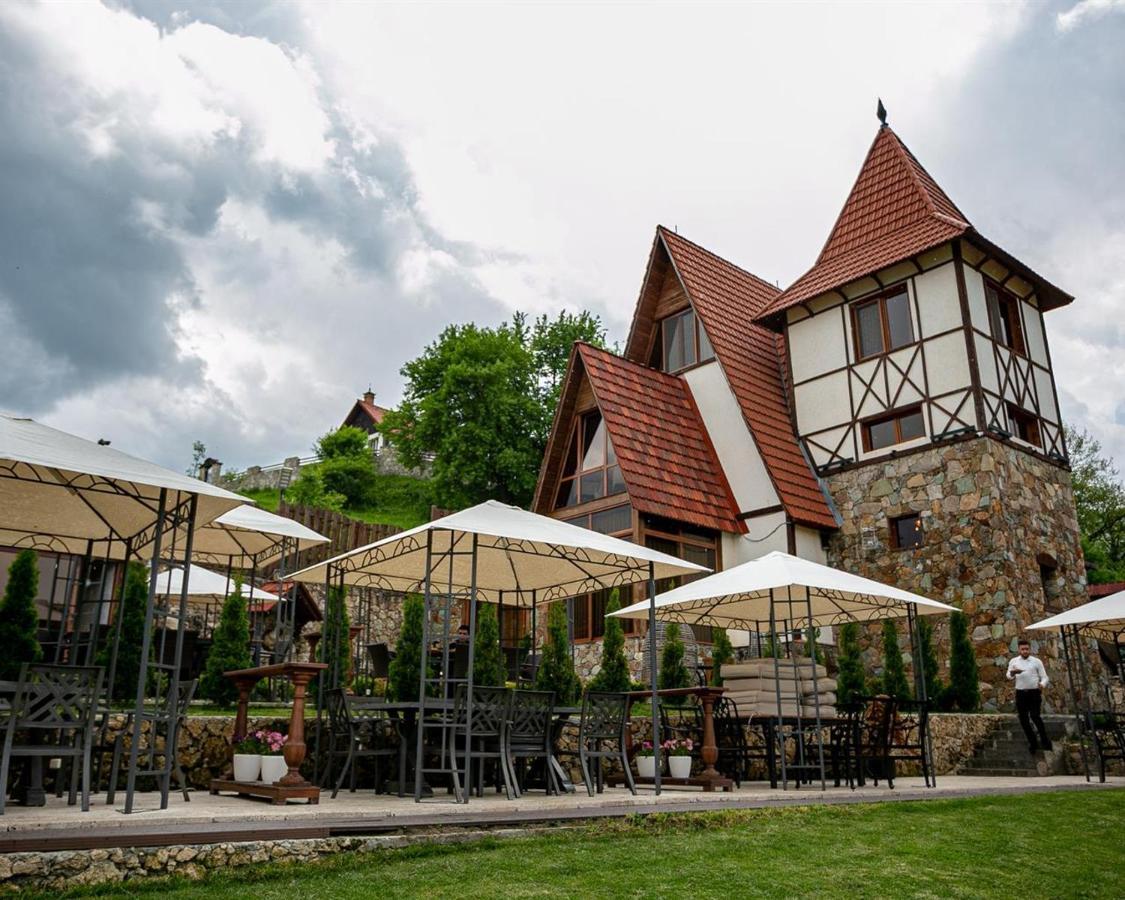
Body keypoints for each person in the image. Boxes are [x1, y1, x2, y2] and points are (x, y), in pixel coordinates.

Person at [1006, 638, 1052, 753]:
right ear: (1019, 650)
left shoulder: (1036, 661)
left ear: (1029, 649)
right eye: (1023, 649)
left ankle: (1045, 741)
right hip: (1020, 693)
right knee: (1023, 719)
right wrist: (1012, 672)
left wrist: (1042, 684)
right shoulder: (1014, 661)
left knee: (1035, 716)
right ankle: (1033, 743)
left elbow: (1045, 677)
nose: (1025, 651)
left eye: (1027, 649)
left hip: (1034, 692)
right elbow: (1008, 676)